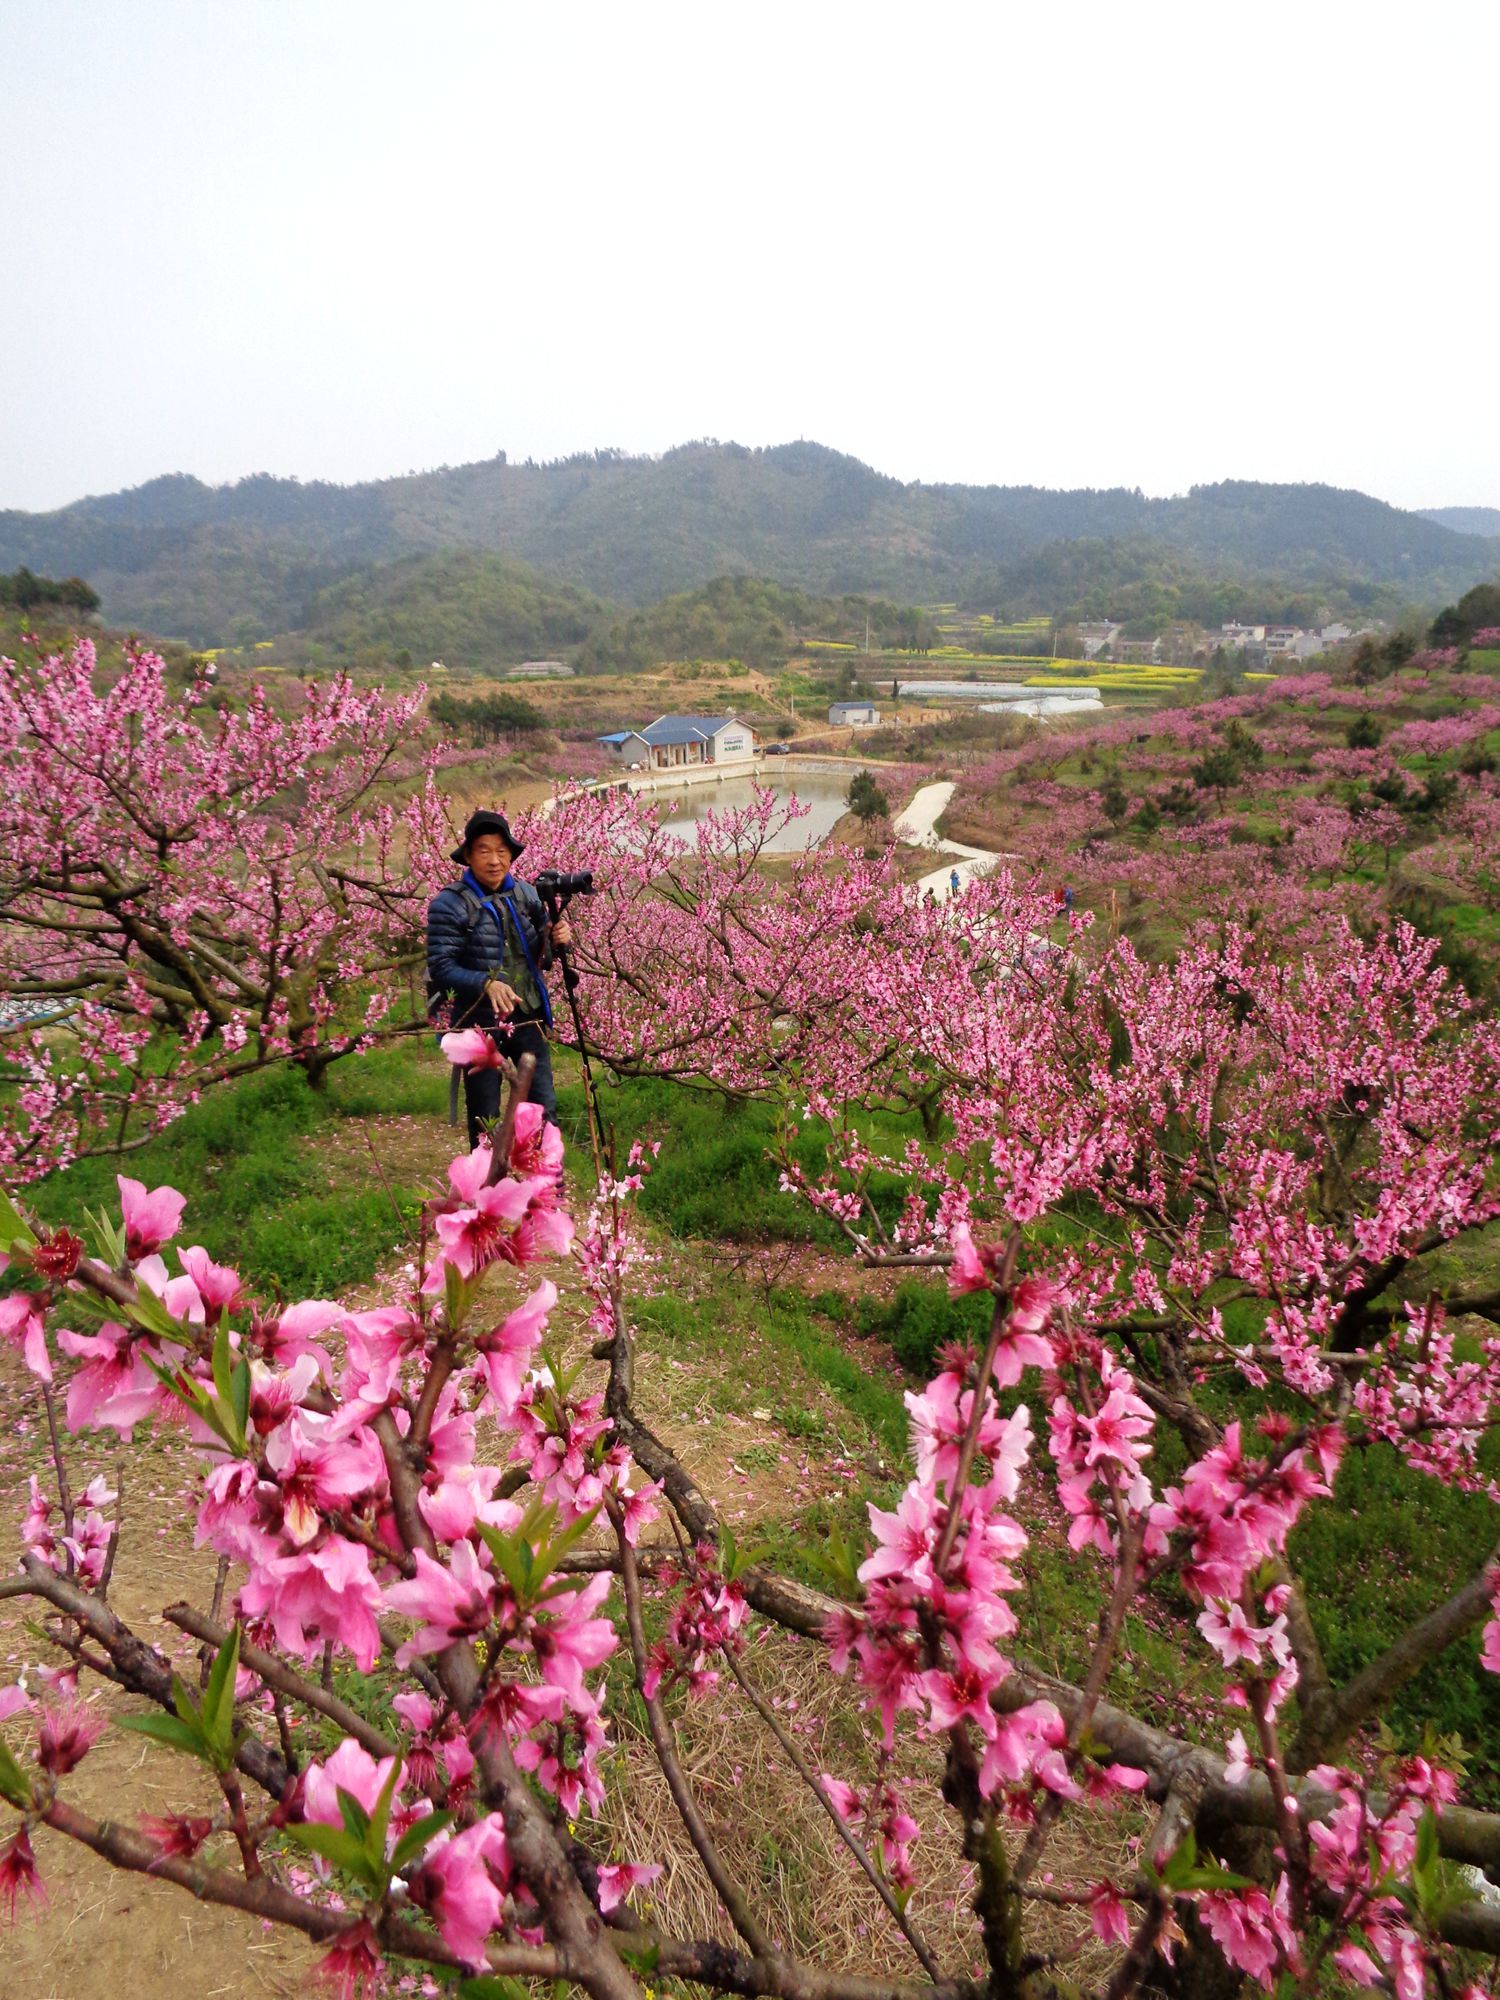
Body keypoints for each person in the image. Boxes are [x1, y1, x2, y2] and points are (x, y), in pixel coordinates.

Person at [426, 810, 572, 1147]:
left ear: (511, 854)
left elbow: (541, 957)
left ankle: (545, 1190)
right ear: (468, 855)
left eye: (502, 851)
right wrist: (485, 983)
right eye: (484, 850)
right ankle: (489, 1192)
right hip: (481, 1025)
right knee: (485, 1118)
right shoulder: (449, 905)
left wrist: (556, 938)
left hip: (528, 1017)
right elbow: (441, 966)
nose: (494, 860)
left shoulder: (526, 895)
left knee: (543, 1112)